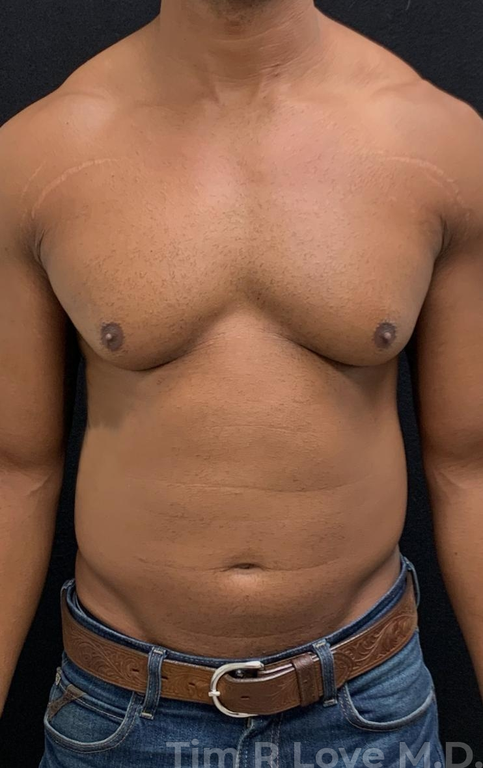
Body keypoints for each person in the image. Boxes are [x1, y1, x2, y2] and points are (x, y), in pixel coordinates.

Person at [0, 0, 482, 764]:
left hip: (368, 712)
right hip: (120, 716)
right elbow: (13, 472)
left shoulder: (439, 143)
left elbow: (470, 467)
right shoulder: (39, 154)